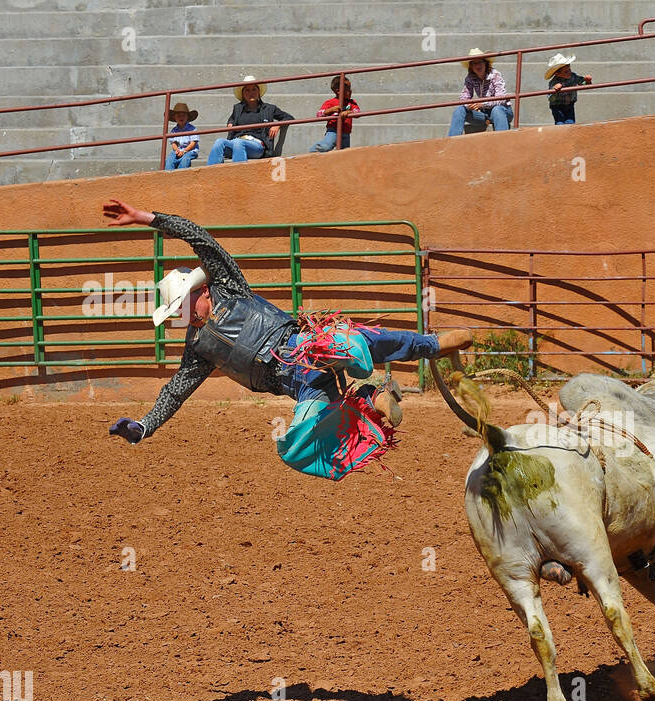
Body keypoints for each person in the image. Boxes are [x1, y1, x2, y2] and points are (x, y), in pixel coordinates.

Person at [99, 198, 471, 480]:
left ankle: (433, 345)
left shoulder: (228, 285)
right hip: (302, 388)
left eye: (179, 307)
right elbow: (175, 391)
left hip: (308, 347)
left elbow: (200, 238)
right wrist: (145, 426)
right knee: (295, 448)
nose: (179, 318)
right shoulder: (198, 350)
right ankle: (366, 399)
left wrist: (147, 218)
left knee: (353, 342)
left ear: (200, 292)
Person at [208, 76, 293, 164]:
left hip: (256, 145)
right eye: (247, 90)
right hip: (237, 142)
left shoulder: (269, 108)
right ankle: (209, 173)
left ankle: (240, 173)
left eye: (253, 89)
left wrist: (277, 124)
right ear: (243, 94)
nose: (250, 93)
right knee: (219, 142)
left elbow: (289, 117)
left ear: (259, 91)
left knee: (238, 143)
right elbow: (232, 119)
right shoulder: (237, 108)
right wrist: (230, 123)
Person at [448, 49, 513, 136]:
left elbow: (501, 99)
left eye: (480, 62)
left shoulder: (495, 74)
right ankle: (452, 141)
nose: (478, 66)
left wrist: (482, 103)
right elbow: (464, 98)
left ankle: (502, 142)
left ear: (485, 63)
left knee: (497, 109)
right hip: (484, 114)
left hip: (502, 111)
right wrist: (471, 105)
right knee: (459, 109)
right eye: (474, 63)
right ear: (471, 66)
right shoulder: (470, 78)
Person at [311, 75, 360, 152]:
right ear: (338, 91)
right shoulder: (330, 102)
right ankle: (313, 151)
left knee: (345, 152)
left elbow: (358, 112)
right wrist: (330, 110)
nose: (350, 91)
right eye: (347, 89)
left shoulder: (351, 102)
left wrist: (349, 112)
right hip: (333, 131)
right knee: (326, 146)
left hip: (346, 132)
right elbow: (319, 114)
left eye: (350, 88)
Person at [544, 54, 592, 125]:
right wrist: (555, 90)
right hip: (557, 106)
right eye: (566, 72)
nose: (569, 72)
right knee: (560, 123)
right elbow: (550, 97)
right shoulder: (553, 82)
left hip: (569, 104)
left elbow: (582, 83)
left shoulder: (573, 76)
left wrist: (587, 81)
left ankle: (568, 132)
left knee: (570, 123)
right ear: (557, 73)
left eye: (569, 69)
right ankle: (560, 133)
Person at [164, 103, 200, 170]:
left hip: (190, 150)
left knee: (185, 159)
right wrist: (177, 150)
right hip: (178, 150)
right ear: (175, 117)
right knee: (170, 158)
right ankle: (169, 175)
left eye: (183, 115)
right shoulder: (174, 130)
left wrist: (184, 151)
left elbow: (193, 143)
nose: (181, 117)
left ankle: (180, 174)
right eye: (178, 115)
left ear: (187, 117)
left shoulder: (192, 129)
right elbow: (173, 143)